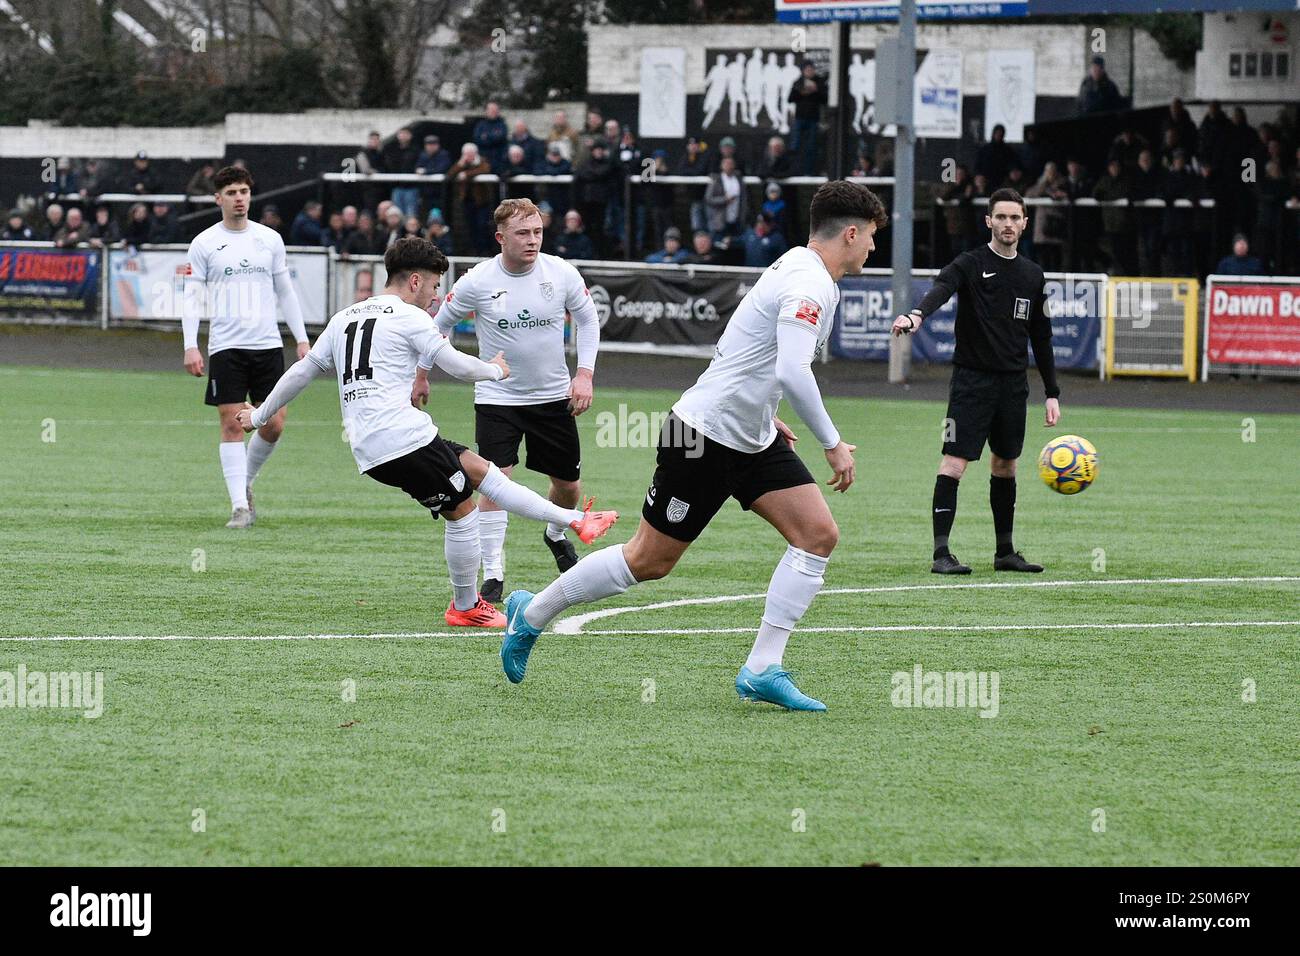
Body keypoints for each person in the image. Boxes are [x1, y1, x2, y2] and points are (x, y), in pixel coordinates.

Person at [497, 181, 885, 711]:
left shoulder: (803, 268)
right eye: (871, 238)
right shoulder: (807, 283)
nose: (872, 249)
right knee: (649, 560)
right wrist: (833, 443)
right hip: (699, 436)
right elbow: (791, 369)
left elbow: (749, 352)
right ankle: (533, 613)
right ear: (851, 232)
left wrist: (766, 416)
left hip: (752, 436)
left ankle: (761, 668)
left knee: (817, 534)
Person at [235, 237, 617, 627]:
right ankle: (466, 607)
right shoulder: (408, 316)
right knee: (463, 510)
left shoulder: (344, 317)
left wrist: (261, 414)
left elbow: (302, 371)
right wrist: (495, 371)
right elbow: (456, 364)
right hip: (399, 441)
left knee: (482, 472)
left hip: (386, 440)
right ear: (415, 281)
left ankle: (572, 521)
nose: (436, 298)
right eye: (435, 286)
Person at [432, 199, 602, 603]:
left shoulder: (560, 272)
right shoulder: (477, 281)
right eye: (523, 233)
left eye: (538, 232)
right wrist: (426, 372)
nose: (532, 241)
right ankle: (494, 574)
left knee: (568, 486)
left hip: (551, 397)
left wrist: (584, 374)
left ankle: (555, 533)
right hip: (497, 397)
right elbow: (437, 326)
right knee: (495, 481)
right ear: (500, 237)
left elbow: (589, 319)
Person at [892, 187, 1060, 576]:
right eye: (1000, 217)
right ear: (988, 221)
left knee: (1006, 464)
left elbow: (1043, 336)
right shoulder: (970, 263)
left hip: (1013, 386)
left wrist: (1052, 392)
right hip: (971, 382)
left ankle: (1005, 552)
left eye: (1014, 218)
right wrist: (916, 316)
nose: (1007, 224)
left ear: (1024, 223)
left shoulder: (1033, 275)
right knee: (954, 463)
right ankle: (941, 554)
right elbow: (941, 289)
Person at [181, 166, 310, 529]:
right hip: (226, 347)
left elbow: (285, 291)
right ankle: (239, 505)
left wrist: (300, 338)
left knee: (274, 423)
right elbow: (191, 297)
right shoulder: (204, 243)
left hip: (267, 345)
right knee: (232, 423)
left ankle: (246, 481)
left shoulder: (269, 239)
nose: (240, 199)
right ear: (218, 198)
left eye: (244, 192)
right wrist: (191, 345)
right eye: (232, 193)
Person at [446, 143, 495, 255]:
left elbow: (485, 169)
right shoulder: (462, 164)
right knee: (471, 227)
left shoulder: (481, 161)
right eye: (466, 154)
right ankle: (475, 251)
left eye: (470, 154)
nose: (468, 156)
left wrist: (466, 174)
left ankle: (485, 251)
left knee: (482, 226)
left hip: (481, 201)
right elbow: (450, 175)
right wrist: (459, 164)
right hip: (467, 201)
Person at [575, 140, 619, 258]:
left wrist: (592, 175)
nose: (598, 152)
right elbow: (581, 174)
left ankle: (602, 254)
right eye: (596, 150)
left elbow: (603, 172)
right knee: (588, 228)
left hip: (602, 203)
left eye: (600, 150)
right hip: (587, 202)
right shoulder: (585, 163)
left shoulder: (608, 164)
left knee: (602, 229)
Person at [787, 60, 827, 176]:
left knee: (811, 147)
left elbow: (825, 99)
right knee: (795, 146)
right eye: (807, 70)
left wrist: (816, 90)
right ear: (803, 71)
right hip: (799, 118)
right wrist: (801, 92)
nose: (809, 72)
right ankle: (792, 170)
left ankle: (808, 172)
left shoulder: (819, 82)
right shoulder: (798, 82)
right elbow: (790, 99)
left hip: (813, 119)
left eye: (811, 70)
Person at [705, 155, 746, 244]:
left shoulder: (739, 180)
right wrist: (724, 200)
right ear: (721, 166)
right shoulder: (716, 180)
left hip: (736, 221)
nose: (729, 166)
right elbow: (708, 199)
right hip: (720, 222)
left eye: (731, 164)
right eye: (726, 164)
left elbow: (744, 200)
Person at [385, 127, 421, 218]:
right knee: (397, 214)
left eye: (406, 134)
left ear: (410, 136)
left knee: (411, 214)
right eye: (401, 133)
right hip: (397, 187)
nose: (403, 136)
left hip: (411, 187)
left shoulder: (416, 150)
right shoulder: (392, 150)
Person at [975, 125, 1020, 195]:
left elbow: (1012, 166)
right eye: (997, 134)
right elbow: (977, 167)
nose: (998, 136)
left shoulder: (1007, 151)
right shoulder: (985, 150)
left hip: (1003, 181)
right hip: (986, 181)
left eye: (1001, 134)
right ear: (993, 134)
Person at [415, 134, 451, 217]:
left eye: (433, 145)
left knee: (440, 214)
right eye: (428, 145)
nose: (430, 147)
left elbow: (442, 169)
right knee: (425, 214)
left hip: (440, 192)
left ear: (437, 145)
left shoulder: (444, 155)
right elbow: (417, 168)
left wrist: (426, 171)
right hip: (426, 192)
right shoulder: (423, 155)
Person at [474, 102, 509, 173]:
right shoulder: (480, 125)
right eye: (491, 110)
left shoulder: (502, 125)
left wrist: (486, 136)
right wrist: (493, 136)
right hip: (483, 159)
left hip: (499, 160)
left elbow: (500, 138)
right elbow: (477, 139)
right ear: (486, 111)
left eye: (495, 110)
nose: (493, 112)